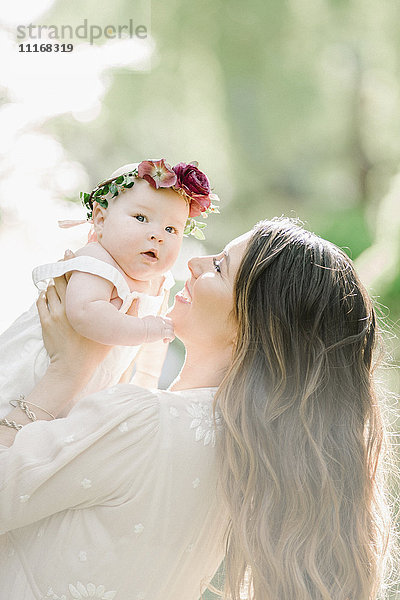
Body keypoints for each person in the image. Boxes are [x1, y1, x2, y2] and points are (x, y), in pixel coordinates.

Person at [0, 216, 395, 600]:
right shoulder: (250, 458)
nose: (193, 262)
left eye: (219, 267)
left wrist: (65, 374)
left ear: (253, 323)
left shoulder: (142, 422)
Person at [0, 159, 219, 418]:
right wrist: (147, 329)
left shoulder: (160, 281)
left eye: (171, 229)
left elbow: (155, 344)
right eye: (141, 218)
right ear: (101, 220)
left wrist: (146, 381)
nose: (158, 235)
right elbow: (86, 314)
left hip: (90, 383)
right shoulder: (97, 261)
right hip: (36, 372)